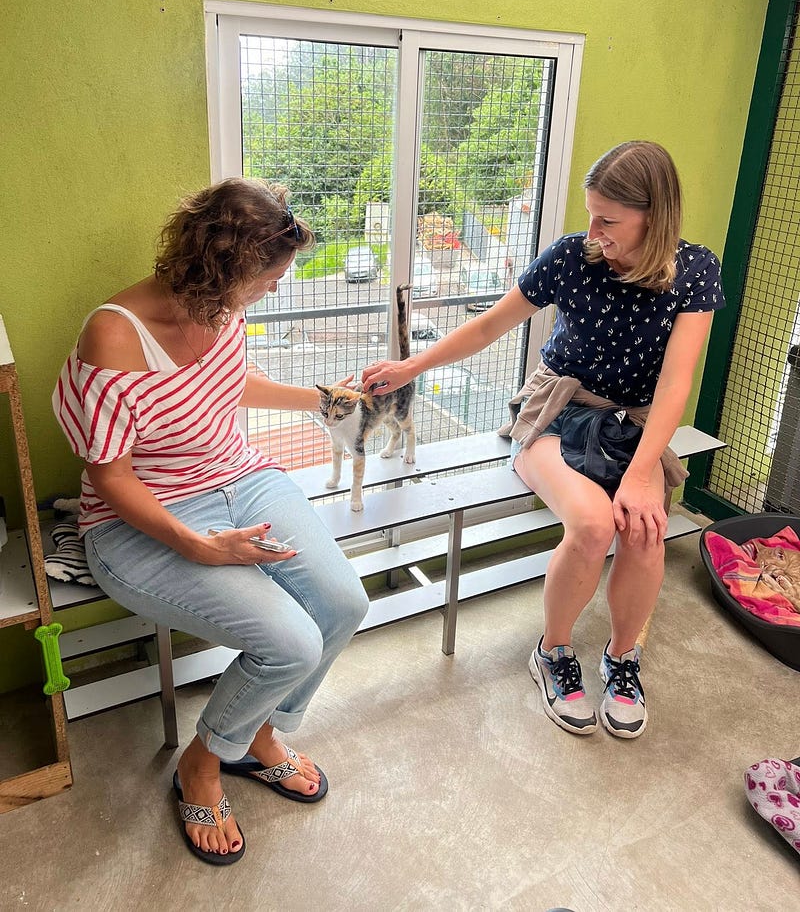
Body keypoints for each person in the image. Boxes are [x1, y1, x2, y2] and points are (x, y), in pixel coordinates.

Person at [53, 178, 369, 864]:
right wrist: (198, 545)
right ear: (222, 268)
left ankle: (256, 732)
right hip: (140, 518)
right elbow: (111, 475)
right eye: (269, 278)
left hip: (240, 479)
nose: (275, 290)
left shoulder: (222, 307)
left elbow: (227, 383)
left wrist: (319, 399)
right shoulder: (113, 335)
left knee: (345, 602)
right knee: (290, 642)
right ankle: (202, 762)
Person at [363, 141, 724, 740]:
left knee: (646, 526)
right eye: (591, 214)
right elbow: (488, 325)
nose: (594, 230)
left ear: (653, 217)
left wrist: (640, 474)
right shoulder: (570, 258)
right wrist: (410, 367)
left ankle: (621, 656)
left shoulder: (695, 270)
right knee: (592, 525)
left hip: (632, 422)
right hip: (555, 411)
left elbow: (676, 380)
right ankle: (553, 652)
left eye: (608, 219)